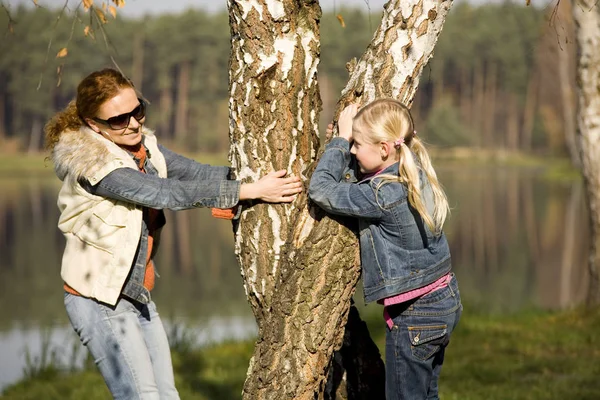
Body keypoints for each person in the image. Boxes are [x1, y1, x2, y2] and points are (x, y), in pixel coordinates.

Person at [44, 67, 302, 400]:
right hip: (100, 300)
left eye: (137, 110)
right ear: (95, 125)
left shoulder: (143, 148)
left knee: (167, 395)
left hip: (135, 294)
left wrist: (260, 177)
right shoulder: (96, 166)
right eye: (119, 119)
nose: (134, 123)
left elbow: (197, 173)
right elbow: (163, 193)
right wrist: (247, 191)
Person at [308, 99, 462, 399]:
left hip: (415, 316)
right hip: (445, 300)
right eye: (351, 144)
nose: (352, 151)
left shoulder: (379, 196)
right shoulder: (412, 169)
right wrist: (347, 140)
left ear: (383, 148)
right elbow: (368, 175)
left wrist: (339, 141)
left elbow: (321, 189)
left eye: (357, 144)